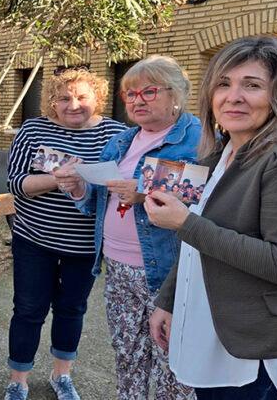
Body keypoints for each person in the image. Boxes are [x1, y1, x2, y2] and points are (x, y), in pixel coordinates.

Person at [146, 36, 277, 400]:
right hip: (218, 335)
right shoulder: (219, 157)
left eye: (252, 85)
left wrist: (186, 224)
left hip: (267, 352)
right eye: (223, 84)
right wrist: (168, 299)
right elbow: (199, 247)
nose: (234, 96)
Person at [57, 55, 200, 400]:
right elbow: (98, 199)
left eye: (148, 92)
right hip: (118, 267)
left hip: (167, 272)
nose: (137, 100)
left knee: (173, 365)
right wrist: (78, 187)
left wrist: (146, 191)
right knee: (128, 355)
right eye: (130, 95)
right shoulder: (124, 139)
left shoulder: (196, 136)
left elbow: (201, 196)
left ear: (176, 93)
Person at [3, 68, 126, 400]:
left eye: (82, 97)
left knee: (72, 309)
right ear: (52, 103)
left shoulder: (116, 135)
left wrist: (87, 184)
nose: (74, 104)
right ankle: (18, 380)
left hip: (84, 245)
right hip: (34, 240)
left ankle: (62, 376)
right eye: (64, 98)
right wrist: (56, 180)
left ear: (97, 98)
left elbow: (122, 185)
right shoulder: (33, 129)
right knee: (28, 309)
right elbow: (15, 183)